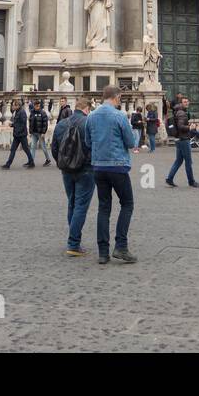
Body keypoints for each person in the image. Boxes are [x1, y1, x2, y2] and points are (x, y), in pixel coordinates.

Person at [85, 85, 138, 264]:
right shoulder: (119, 116)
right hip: (117, 166)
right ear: (117, 97)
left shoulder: (91, 116)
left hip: (98, 167)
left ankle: (103, 252)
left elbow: (87, 141)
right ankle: (121, 247)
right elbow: (131, 142)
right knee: (127, 204)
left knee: (104, 208)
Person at [54, 95, 93, 256]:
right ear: (87, 109)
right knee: (81, 206)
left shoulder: (62, 124)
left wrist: (62, 163)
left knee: (72, 203)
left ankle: (73, 240)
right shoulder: (88, 123)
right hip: (85, 170)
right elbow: (93, 147)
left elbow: (54, 147)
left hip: (66, 170)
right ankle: (73, 243)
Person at [166, 95, 199, 188]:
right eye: (184, 102)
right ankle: (191, 181)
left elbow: (180, 125)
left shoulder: (178, 112)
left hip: (179, 139)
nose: (187, 103)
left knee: (178, 161)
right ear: (181, 103)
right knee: (188, 162)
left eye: (187, 101)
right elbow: (181, 126)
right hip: (183, 139)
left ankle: (169, 179)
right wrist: (190, 127)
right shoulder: (182, 113)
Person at [1, 99, 36, 169]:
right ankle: (8, 164)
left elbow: (23, 124)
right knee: (13, 150)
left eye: (13, 105)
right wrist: (13, 125)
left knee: (25, 149)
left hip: (21, 135)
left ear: (18, 106)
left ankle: (31, 162)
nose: (12, 107)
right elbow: (18, 123)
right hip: (18, 134)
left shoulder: (22, 112)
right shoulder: (17, 111)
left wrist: (17, 130)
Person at [29, 99, 53, 166]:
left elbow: (45, 124)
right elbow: (30, 122)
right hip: (34, 133)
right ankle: (31, 161)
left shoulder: (43, 113)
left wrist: (43, 132)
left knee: (43, 147)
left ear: (39, 106)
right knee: (32, 147)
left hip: (40, 133)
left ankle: (48, 159)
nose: (37, 107)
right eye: (36, 106)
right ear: (34, 106)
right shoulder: (32, 112)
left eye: (38, 106)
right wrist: (30, 132)